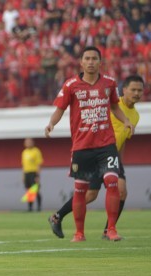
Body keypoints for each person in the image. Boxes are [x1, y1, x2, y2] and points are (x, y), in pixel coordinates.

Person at [44, 46, 134, 242]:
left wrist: (126, 120)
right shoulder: (71, 85)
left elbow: (115, 106)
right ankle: (79, 233)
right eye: (88, 58)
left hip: (106, 145)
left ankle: (111, 229)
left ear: (100, 62)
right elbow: (60, 109)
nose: (91, 61)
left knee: (112, 184)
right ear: (81, 62)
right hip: (82, 146)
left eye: (95, 58)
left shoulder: (110, 83)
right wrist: (51, 123)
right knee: (82, 191)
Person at [21, 138, 43, 212]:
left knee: (35, 190)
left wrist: (37, 176)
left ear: (32, 143)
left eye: (29, 142)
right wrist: (23, 175)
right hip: (27, 173)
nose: (28, 143)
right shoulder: (24, 152)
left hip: (33, 173)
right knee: (29, 191)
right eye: (26, 142)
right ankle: (30, 208)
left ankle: (39, 207)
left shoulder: (36, 151)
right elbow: (23, 165)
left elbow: (39, 164)